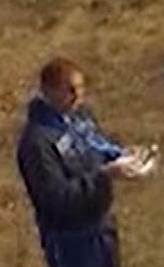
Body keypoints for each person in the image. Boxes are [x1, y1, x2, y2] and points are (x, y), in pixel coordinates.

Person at [17, 58, 144, 267]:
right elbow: (55, 198)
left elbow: (97, 145)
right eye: (69, 90)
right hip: (70, 240)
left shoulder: (79, 117)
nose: (77, 96)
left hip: (101, 228)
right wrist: (104, 176)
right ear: (49, 91)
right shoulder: (37, 142)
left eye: (80, 88)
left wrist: (124, 157)